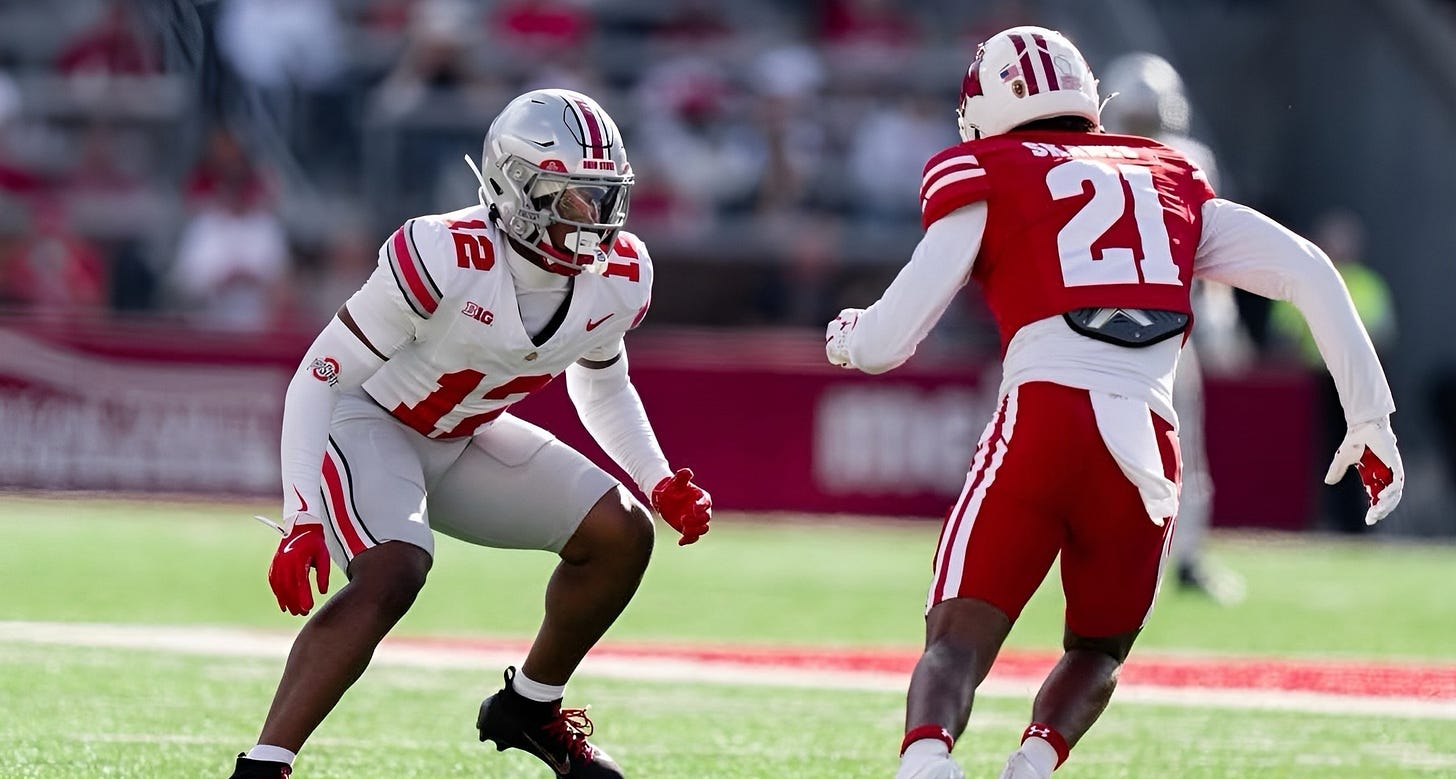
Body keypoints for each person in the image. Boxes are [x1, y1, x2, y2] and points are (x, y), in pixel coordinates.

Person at [824, 26, 1404, 779]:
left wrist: (848, 335)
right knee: (1098, 650)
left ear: (985, 105)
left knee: (956, 640)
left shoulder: (989, 170)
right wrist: (1370, 416)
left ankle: (928, 761)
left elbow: (885, 343)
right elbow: (1311, 271)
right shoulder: (1172, 173)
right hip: (1148, 442)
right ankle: (1031, 765)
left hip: (1045, 419)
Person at [226, 88, 713, 779]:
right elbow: (318, 376)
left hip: (463, 434)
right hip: (370, 419)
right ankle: (264, 764)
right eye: (572, 197)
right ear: (516, 188)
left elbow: (601, 381)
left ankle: (530, 707)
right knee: (395, 568)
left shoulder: (622, 275)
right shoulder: (442, 253)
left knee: (622, 533)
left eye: (603, 197)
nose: (595, 219)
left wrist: (656, 477)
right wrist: (300, 515)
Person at [1099, 51, 1254, 603]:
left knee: (1180, 445)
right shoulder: (1095, 159)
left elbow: (1209, 249)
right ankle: (1114, 554)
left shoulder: (1183, 158)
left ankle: (1183, 556)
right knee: (1115, 444)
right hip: (1115, 320)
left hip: (1156, 323)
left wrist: (1218, 315)